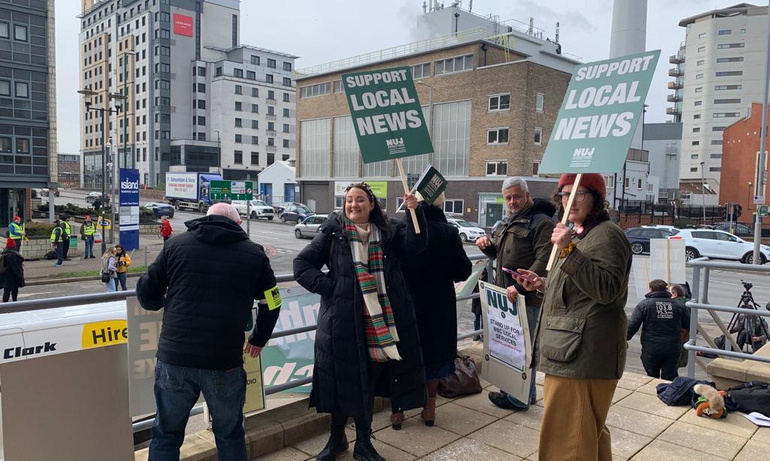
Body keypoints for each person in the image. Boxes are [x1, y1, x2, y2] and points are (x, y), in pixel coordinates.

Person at [136, 203, 282, 461]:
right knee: (229, 433)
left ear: (206, 218)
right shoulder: (254, 254)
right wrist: (259, 337)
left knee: (166, 433)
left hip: (175, 357)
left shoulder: (175, 245)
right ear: (237, 224)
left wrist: (163, 302)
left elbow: (147, 291)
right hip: (223, 361)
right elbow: (272, 301)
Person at [293, 183, 426, 461]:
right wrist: (331, 287)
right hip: (340, 323)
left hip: (381, 324)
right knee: (340, 381)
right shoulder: (333, 233)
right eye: (349, 200)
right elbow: (301, 265)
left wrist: (417, 212)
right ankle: (336, 438)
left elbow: (417, 247)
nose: (353, 205)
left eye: (360, 200)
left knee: (368, 381)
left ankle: (364, 443)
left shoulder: (390, 233)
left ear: (372, 204)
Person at [515, 173, 632, 461]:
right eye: (565, 194)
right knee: (585, 434)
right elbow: (578, 292)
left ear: (596, 199)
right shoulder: (583, 233)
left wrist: (568, 250)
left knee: (568, 441)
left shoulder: (607, 235)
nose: (570, 200)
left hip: (583, 356)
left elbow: (606, 289)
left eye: (579, 193)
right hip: (573, 352)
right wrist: (542, 284)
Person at [475, 177, 555, 411]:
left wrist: (520, 286)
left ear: (527, 196)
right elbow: (500, 256)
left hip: (526, 298)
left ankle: (517, 399)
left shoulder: (541, 222)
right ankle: (521, 394)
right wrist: (488, 247)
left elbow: (545, 260)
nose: (512, 201)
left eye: (517, 196)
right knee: (512, 347)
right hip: (506, 297)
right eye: (508, 197)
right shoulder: (509, 221)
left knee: (524, 349)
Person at [401, 192, 471, 428]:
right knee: (433, 357)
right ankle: (429, 408)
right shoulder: (448, 232)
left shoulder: (399, 228)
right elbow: (462, 271)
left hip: (405, 304)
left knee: (404, 356)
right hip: (438, 305)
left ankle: (398, 412)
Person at [627, 279, 690, 380]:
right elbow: (688, 325)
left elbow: (632, 326)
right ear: (665, 289)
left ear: (650, 289)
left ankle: (653, 393)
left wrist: (624, 338)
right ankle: (668, 394)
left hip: (651, 348)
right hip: (673, 348)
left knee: (652, 378)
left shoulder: (644, 305)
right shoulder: (678, 306)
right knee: (669, 377)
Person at [669, 284, 691, 368]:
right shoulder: (688, 303)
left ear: (674, 294)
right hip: (685, 334)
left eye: (669, 292)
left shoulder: (675, 305)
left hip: (678, 334)